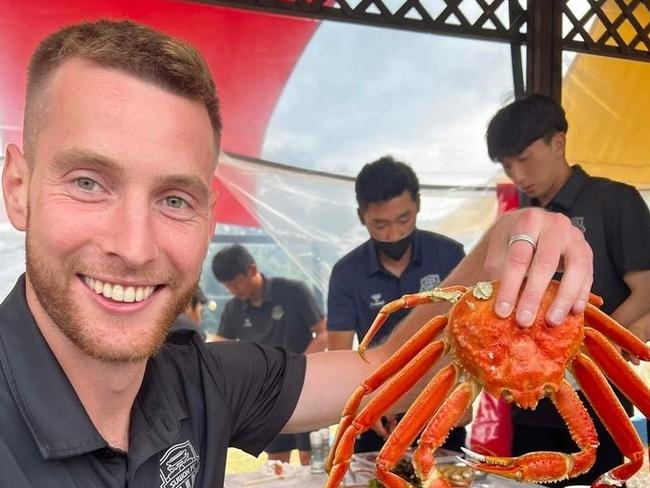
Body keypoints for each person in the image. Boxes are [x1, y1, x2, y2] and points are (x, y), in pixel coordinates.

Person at [0, 19, 594, 488]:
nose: (132, 247)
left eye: (175, 198)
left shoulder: (207, 378)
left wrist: (504, 235)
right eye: (87, 182)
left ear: (209, 220)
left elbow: (381, 367)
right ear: (18, 189)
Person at [486, 92, 650, 486]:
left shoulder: (615, 200)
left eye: (523, 158)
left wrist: (572, 345)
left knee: (601, 476)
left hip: (596, 396)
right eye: (507, 165)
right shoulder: (520, 221)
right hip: (528, 400)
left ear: (557, 142)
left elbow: (646, 290)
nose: (517, 174)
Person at [327, 156, 467, 453]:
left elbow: (470, 333)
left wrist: (462, 392)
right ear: (361, 216)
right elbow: (338, 353)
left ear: (417, 204)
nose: (394, 234)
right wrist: (365, 404)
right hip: (376, 410)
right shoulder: (347, 273)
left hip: (440, 402)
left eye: (403, 219)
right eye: (380, 224)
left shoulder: (450, 257)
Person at [211, 243, 327, 464]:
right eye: (227, 286)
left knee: (312, 459)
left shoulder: (293, 291)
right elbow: (220, 347)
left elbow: (323, 333)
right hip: (267, 396)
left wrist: (297, 366)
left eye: (235, 283)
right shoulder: (233, 308)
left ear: (252, 270)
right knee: (275, 462)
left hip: (305, 387)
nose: (232, 291)